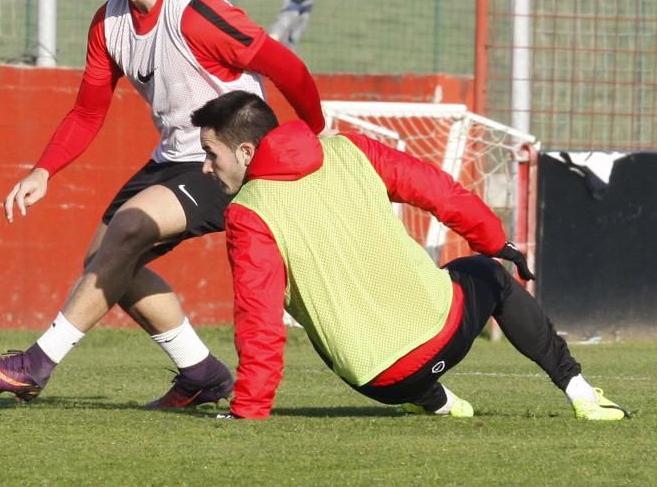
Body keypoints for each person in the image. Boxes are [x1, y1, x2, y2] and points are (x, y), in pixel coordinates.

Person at [0, 0, 325, 407]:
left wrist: (314, 130)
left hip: (226, 160)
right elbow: (88, 111)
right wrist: (44, 170)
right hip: (173, 156)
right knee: (104, 259)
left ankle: (35, 365)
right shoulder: (108, 23)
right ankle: (201, 373)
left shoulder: (196, 11)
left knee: (130, 228)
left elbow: (285, 65)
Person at [190, 90, 631, 421]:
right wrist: (495, 242)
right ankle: (582, 393)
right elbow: (442, 192)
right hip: (447, 335)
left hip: (381, 381)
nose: (207, 167)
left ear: (246, 152)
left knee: (336, 320)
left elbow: (258, 317)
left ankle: (441, 405)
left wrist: (250, 407)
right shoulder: (352, 149)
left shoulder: (248, 213)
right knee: (485, 273)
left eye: (211, 154)